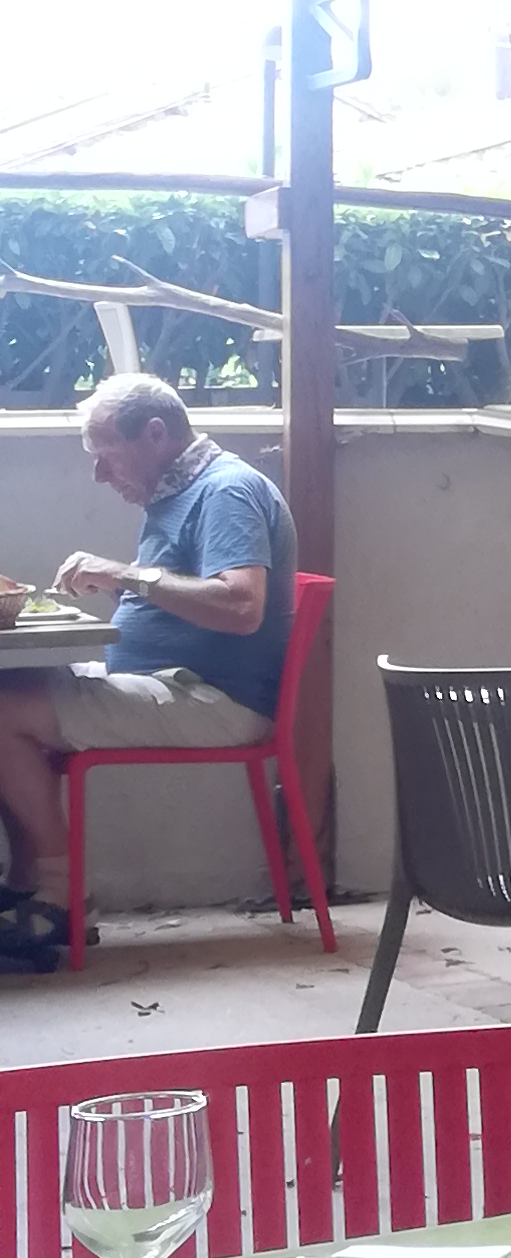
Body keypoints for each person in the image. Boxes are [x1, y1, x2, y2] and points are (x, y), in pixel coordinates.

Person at [0, 376, 296, 968]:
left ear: (155, 434)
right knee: (11, 693)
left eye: (106, 454)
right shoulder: (177, 492)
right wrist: (123, 587)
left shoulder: (227, 491)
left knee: (2, 709)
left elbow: (243, 606)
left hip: (213, 698)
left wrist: (125, 574)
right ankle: (28, 884)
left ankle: (61, 896)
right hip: (170, 681)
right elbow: (180, 596)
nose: (99, 475)